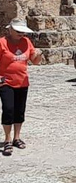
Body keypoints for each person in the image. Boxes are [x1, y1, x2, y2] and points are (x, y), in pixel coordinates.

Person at [0, 18, 43, 156]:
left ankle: (16, 138)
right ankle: (7, 139)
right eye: (18, 31)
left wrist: (39, 55)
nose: (21, 34)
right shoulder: (2, 42)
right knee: (8, 109)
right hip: (5, 81)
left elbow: (35, 62)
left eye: (23, 32)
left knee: (19, 110)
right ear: (10, 30)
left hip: (22, 81)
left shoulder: (26, 42)